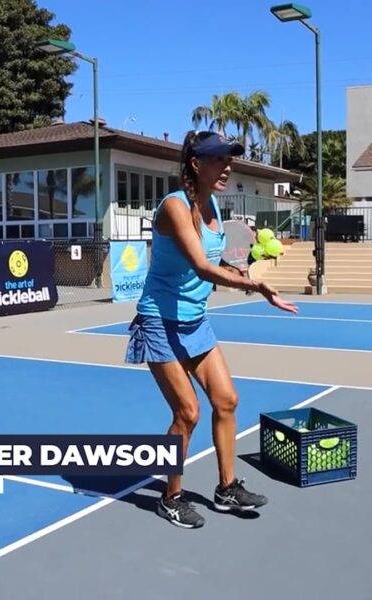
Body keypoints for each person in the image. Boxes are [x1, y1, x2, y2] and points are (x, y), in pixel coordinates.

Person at [124, 130, 299, 529]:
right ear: (196, 165)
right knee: (187, 413)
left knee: (228, 400)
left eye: (229, 159)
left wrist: (240, 271)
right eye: (220, 160)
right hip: (160, 322)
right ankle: (171, 498)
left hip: (195, 320)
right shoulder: (174, 206)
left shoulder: (214, 205)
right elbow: (201, 265)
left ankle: (226, 487)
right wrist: (255, 285)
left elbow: (213, 264)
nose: (228, 166)